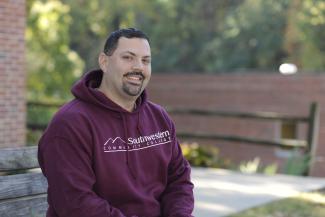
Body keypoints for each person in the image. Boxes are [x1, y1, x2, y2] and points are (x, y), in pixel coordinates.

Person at [38, 28, 194, 217]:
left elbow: (179, 180)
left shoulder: (158, 117)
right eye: (128, 57)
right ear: (104, 62)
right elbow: (75, 202)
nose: (138, 67)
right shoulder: (70, 124)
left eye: (146, 60)